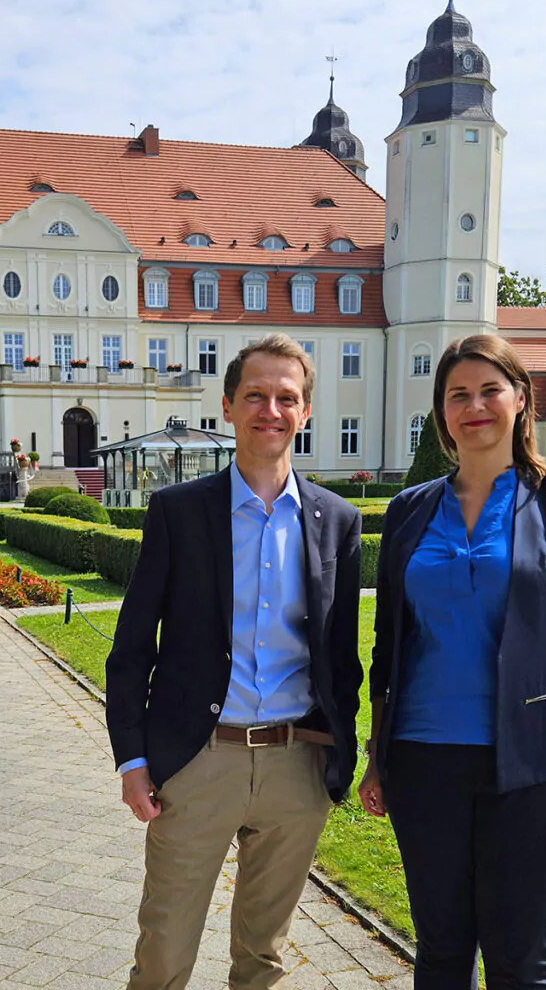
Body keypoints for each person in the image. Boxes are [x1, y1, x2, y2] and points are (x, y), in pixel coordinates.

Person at [358, 335, 546, 990]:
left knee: (518, 959)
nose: (473, 405)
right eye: (457, 395)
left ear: (519, 401)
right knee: (441, 951)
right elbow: (390, 642)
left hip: (533, 769)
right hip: (423, 763)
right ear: (441, 413)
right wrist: (378, 755)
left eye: (488, 390)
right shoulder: (408, 511)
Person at [106, 334, 362, 990]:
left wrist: (340, 758)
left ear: (305, 413)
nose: (270, 410)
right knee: (162, 958)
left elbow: (342, 658)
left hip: (295, 767)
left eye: (287, 398)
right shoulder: (178, 512)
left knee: (264, 961)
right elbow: (132, 648)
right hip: (196, 764)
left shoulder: (337, 520)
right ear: (227, 406)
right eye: (255, 395)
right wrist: (133, 761)